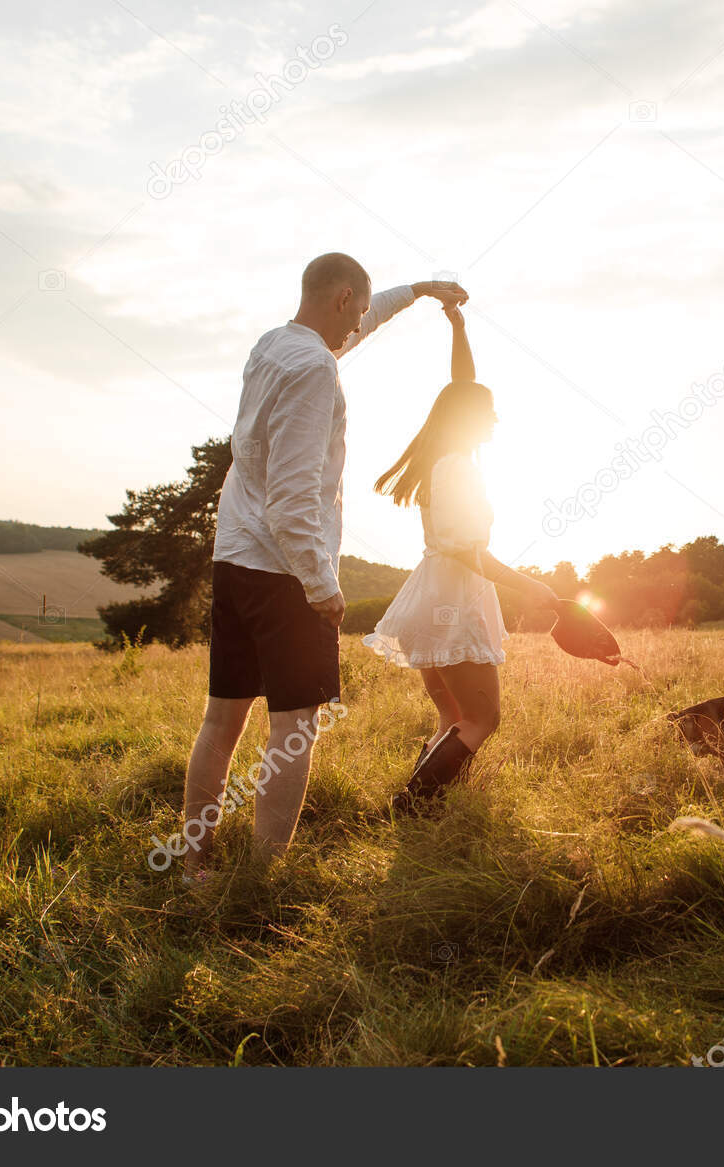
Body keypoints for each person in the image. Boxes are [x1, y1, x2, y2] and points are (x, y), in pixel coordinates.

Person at [180, 252, 468, 882]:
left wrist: (414, 292)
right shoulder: (315, 370)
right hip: (286, 574)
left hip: (235, 557)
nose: (356, 330)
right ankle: (263, 877)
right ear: (340, 297)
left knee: (222, 716)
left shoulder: (274, 345)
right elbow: (291, 497)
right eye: (356, 312)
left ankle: (193, 863)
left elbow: (353, 328)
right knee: (293, 731)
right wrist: (322, 586)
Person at [362, 301, 558, 812]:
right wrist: (529, 585)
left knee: (451, 715)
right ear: (469, 416)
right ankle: (413, 804)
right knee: (481, 720)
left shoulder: (448, 460)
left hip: (430, 598)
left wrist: (459, 326)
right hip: (453, 600)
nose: (495, 415)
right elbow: (470, 552)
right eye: (487, 409)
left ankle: (426, 807)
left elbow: (462, 384)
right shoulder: (459, 469)